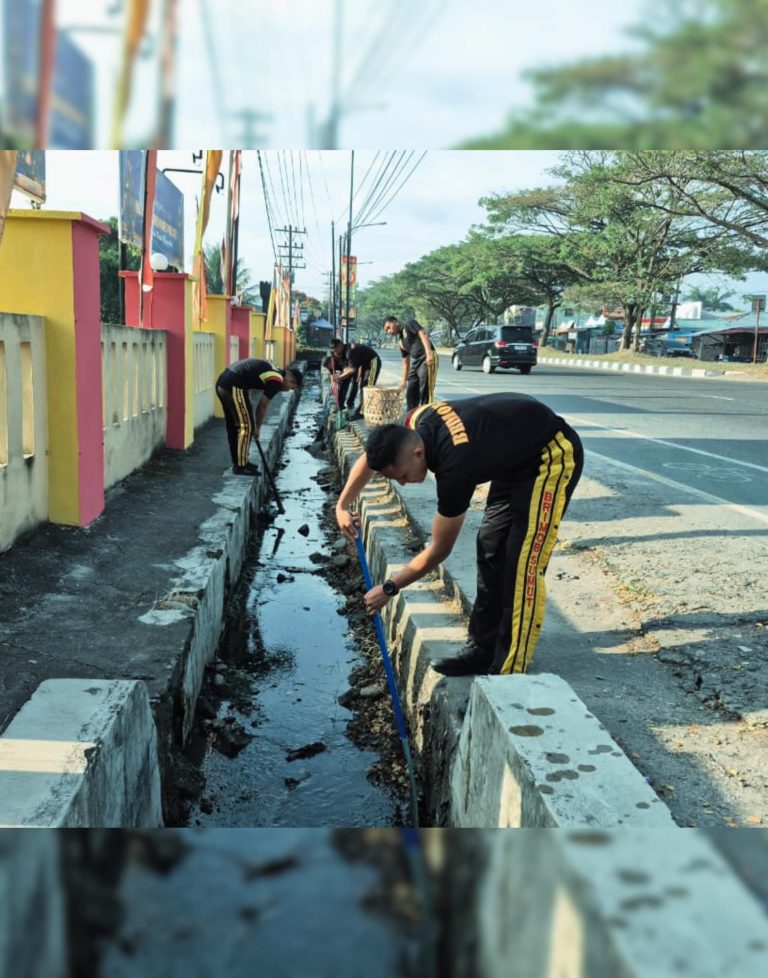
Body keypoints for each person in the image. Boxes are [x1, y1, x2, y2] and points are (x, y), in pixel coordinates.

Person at [335, 393, 583, 676]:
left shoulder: (455, 467)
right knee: (490, 546)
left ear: (418, 454)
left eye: (402, 475)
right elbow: (372, 457)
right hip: (512, 459)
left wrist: (390, 588)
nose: (402, 483)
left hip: (549, 455)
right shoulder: (415, 421)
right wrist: (342, 505)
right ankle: (482, 649)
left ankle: (508, 670)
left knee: (522, 562)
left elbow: (439, 550)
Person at [216, 359, 302, 474]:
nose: (287, 390)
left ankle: (240, 462)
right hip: (233, 385)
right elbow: (262, 406)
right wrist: (257, 428)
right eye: (291, 387)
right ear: (291, 380)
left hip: (224, 382)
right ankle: (241, 466)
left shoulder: (276, 372)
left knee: (233, 427)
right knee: (246, 427)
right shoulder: (277, 381)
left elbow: (249, 376)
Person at [382, 316, 438, 410]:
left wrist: (429, 354)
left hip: (426, 357)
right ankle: (411, 414)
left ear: (395, 321)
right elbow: (405, 362)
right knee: (411, 391)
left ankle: (427, 415)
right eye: (386, 330)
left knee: (425, 390)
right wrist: (403, 381)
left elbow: (423, 335)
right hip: (416, 362)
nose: (389, 331)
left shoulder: (408, 324)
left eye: (388, 327)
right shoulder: (401, 341)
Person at [329, 338, 382, 419]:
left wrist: (339, 377)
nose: (335, 353)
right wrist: (339, 378)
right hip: (363, 364)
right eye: (333, 352)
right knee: (345, 381)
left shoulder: (350, 351)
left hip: (373, 362)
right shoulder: (343, 352)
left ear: (340, 346)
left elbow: (352, 370)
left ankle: (362, 412)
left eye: (336, 351)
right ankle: (340, 405)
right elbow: (347, 369)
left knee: (366, 386)